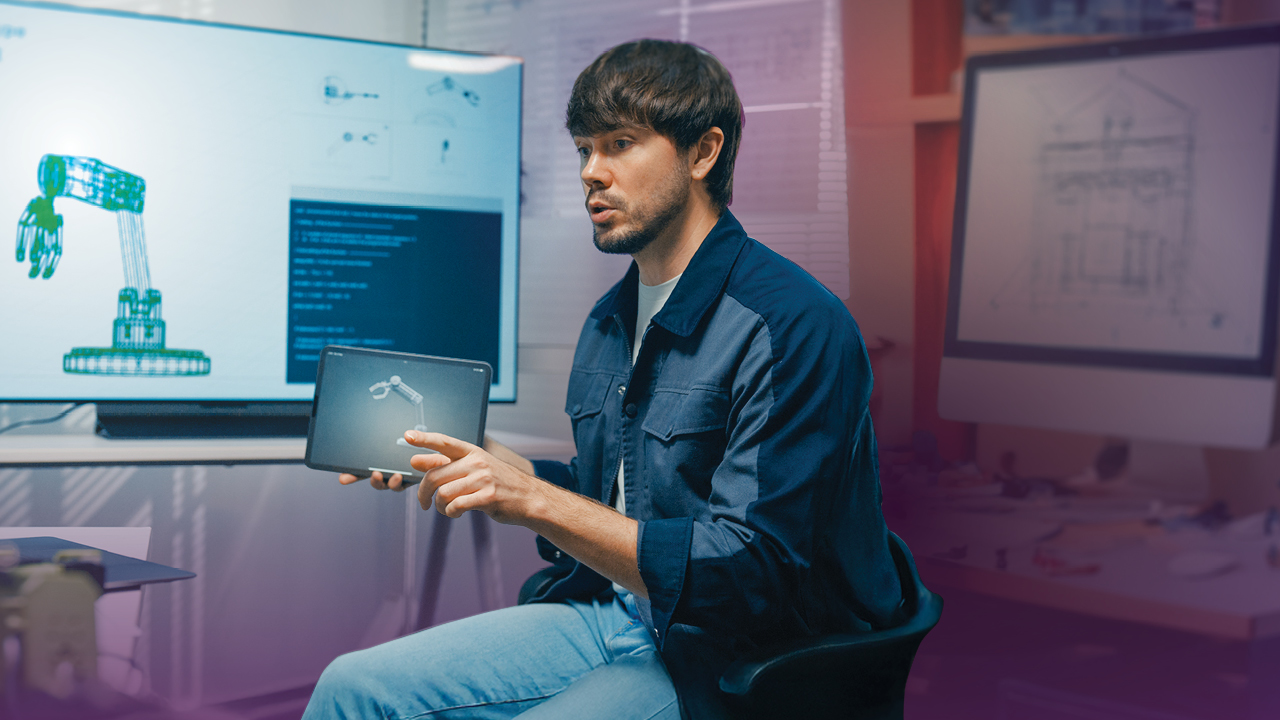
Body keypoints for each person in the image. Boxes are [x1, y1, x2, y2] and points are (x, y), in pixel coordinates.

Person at [303, 38, 903, 720]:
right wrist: (499, 469)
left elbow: (750, 572)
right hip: (610, 611)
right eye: (585, 148)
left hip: (735, 651)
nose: (591, 171)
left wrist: (532, 500)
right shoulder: (609, 321)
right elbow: (615, 500)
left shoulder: (792, 324)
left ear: (703, 153)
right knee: (351, 686)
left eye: (620, 143)